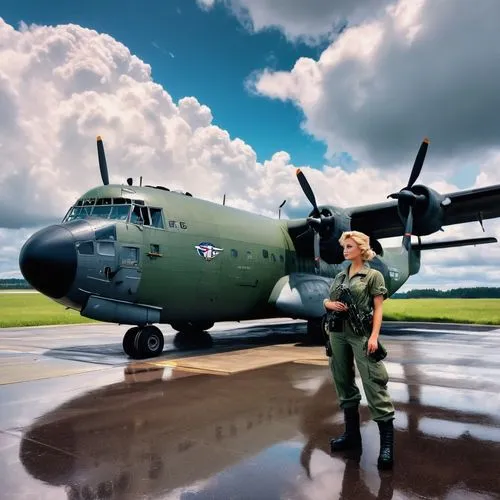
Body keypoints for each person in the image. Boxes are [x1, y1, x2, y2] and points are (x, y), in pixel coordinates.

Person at [323, 230, 395, 470]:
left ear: (361, 249)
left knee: (374, 382)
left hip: (360, 334)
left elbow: (378, 309)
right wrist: (328, 304)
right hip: (336, 333)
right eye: (344, 246)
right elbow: (328, 300)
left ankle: (386, 446)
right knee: (343, 382)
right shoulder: (340, 276)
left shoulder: (372, 276)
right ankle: (352, 435)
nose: (345, 250)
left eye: (350, 246)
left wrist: (374, 336)